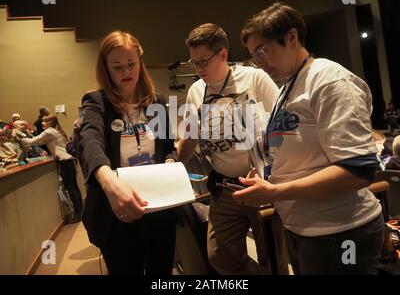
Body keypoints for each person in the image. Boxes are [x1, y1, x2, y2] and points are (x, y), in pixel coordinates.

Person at [235, 2, 385, 275]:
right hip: (304, 228)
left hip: (339, 233)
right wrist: (268, 179)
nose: (259, 63)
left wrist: (275, 192)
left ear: (292, 37)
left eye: (262, 51)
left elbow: (359, 170)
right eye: (253, 57)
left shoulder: (329, 80)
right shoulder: (289, 85)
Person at [178, 23, 287, 274]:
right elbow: (191, 135)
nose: (198, 69)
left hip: (260, 184)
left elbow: (283, 126)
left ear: (223, 54)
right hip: (224, 187)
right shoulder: (197, 90)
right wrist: (176, 162)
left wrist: (266, 167)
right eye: (193, 62)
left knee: (272, 256)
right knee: (219, 255)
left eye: (203, 62)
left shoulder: (254, 78)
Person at [76, 31, 177, 275]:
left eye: (131, 64)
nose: (126, 72)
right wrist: (109, 180)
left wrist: (172, 162)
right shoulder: (96, 102)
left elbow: (168, 148)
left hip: (158, 209)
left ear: (140, 63)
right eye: (117, 66)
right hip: (116, 213)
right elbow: (90, 141)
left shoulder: (158, 102)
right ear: (106, 69)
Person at [22, 115, 83, 221]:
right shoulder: (54, 130)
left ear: (50, 122)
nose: (41, 124)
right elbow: (39, 142)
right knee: (74, 187)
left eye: (44, 121)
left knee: (71, 188)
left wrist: (17, 135)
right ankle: (81, 212)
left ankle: (78, 214)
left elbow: (30, 142)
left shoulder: (49, 131)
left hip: (65, 161)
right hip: (69, 160)